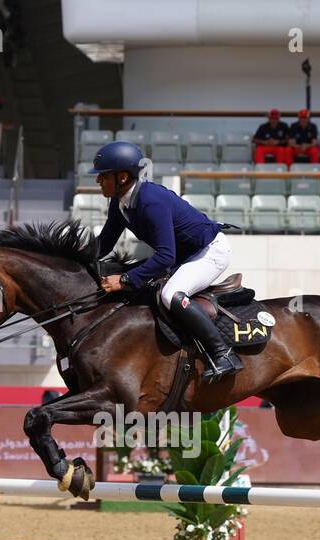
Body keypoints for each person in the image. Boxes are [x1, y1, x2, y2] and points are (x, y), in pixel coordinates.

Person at [90, 140, 242, 383]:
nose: (98, 181)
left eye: (102, 176)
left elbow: (165, 257)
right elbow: (105, 243)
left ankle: (223, 353)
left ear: (122, 177)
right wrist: (77, 261)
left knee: (171, 294)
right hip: (184, 255)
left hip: (210, 251)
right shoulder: (119, 203)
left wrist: (125, 279)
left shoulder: (151, 202)